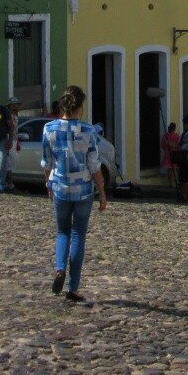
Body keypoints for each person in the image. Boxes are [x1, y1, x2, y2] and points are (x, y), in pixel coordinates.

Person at [42, 85, 108, 304]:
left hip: (60, 186)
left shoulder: (49, 129)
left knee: (62, 232)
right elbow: (94, 165)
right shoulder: (89, 132)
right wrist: (102, 192)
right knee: (79, 234)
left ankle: (59, 268)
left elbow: (46, 163)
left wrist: (48, 184)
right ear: (80, 106)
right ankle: (73, 287)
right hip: (83, 190)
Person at [3, 96, 23, 191]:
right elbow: (10, 129)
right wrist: (11, 140)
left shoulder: (15, 116)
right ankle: (9, 183)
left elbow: (16, 131)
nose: (16, 107)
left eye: (17, 105)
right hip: (8, 139)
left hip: (14, 140)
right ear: (10, 106)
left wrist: (17, 141)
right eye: (14, 105)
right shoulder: (8, 116)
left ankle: (8, 183)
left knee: (12, 162)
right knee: (9, 162)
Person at [160, 122, 180, 188]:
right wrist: (172, 145)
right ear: (174, 128)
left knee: (170, 170)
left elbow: (162, 146)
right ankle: (178, 183)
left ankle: (170, 183)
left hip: (168, 155)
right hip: (176, 155)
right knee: (177, 170)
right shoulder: (177, 136)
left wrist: (168, 144)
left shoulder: (165, 136)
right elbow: (179, 145)